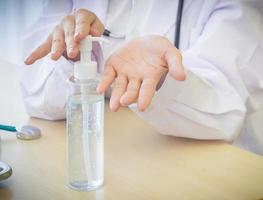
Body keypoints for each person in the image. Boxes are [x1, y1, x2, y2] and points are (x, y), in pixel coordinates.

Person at [21, 0, 263, 155]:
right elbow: (36, 97)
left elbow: (227, 108)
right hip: (119, 156)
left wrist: (162, 80)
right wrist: (70, 58)